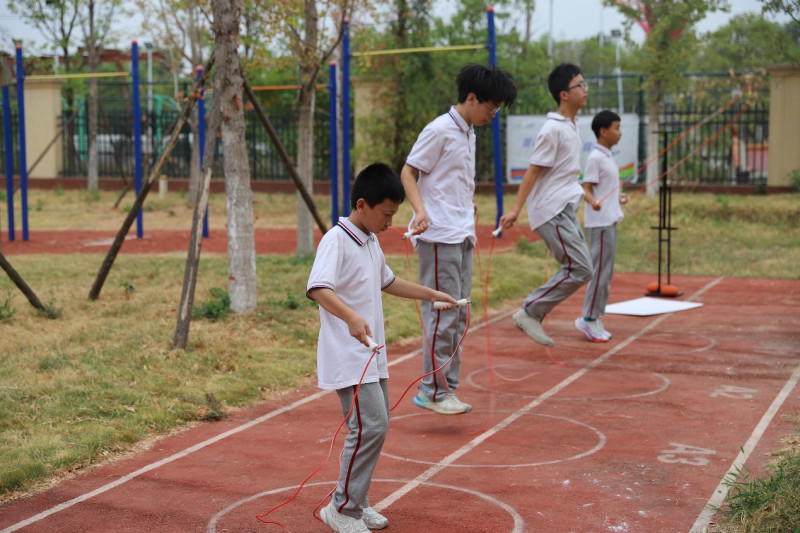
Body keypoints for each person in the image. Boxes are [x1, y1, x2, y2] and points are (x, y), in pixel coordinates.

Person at [307, 163, 457, 533]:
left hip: (372, 355)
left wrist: (431, 293)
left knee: (375, 426)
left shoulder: (371, 241)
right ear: (362, 204)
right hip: (348, 355)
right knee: (369, 426)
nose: (391, 222)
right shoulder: (337, 239)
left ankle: (357, 501)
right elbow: (318, 288)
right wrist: (352, 318)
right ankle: (341, 508)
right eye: (387, 214)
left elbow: (388, 282)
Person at [400, 63, 517, 415]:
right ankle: (432, 390)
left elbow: (450, 179)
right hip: (439, 236)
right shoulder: (439, 130)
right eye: (492, 107)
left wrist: (465, 203)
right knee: (443, 313)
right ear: (471, 98)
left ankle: (446, 387)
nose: (493, 115)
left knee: (459, 315)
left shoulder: (468, 132)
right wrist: (420, 211)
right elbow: (408, 172)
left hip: (461, 232)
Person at [498, 63, 592, 347]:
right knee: (580, 268)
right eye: (580, 85)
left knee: (581, 268)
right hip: (551, 211)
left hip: (564, 208)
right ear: (564, 94)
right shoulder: (553, 129)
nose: (586, 90)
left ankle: (533, 312)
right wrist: (515, 210)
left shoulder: (571, 125)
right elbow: (533, 171)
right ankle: (530, 311)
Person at [575, 110, 628, 342]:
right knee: (599, 273)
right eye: (616, 127)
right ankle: (587, 318)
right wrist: (592, 201)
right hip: (600, 224)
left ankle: (595, 316)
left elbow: (605, 189)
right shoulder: (596, 157)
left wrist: (618, 199)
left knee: (606, 274)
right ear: (603, 131)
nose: (620, 132)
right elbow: (585, 187)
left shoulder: (607, 156)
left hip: (610, 221)